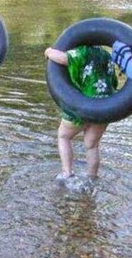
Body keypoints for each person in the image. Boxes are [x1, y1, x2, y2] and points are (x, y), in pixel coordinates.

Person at [44, 44, 118, 180]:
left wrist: (48, 51)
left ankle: (67, 172)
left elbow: (62, 58)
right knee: (92, 145)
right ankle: (92, 177)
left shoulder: (82, 52)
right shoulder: (106, 55)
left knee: (64, 136)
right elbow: (113, 82)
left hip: (83, 105)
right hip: (104, 108)